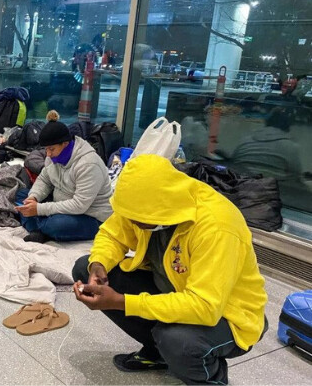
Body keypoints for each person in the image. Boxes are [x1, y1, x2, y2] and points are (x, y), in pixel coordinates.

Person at [71, 154, 267, 385]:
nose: (131, 224)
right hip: (175, 289)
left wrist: (122, 301)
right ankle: (158, 354)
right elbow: (112, 233)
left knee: (177, 340)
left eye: (137, 220)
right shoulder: (149, 202)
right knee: (84, 267)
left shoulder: (217, 227)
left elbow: (204, 306)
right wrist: (99, 264)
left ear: (161, 211)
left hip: (229, 314)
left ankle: (211, 380)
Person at [15, 121, 112, 243]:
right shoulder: (53, 157)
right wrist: (33, 197)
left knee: (56, 225)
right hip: (61, 203)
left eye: (52, 149)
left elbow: (79, 205)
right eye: (46, 149)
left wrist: (39, 209)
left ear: (65, 144)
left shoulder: (88, 164)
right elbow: (45, 179)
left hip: (91, 216)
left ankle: (39, 226)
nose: (48, 154)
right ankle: (39, 231)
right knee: (22, 195)